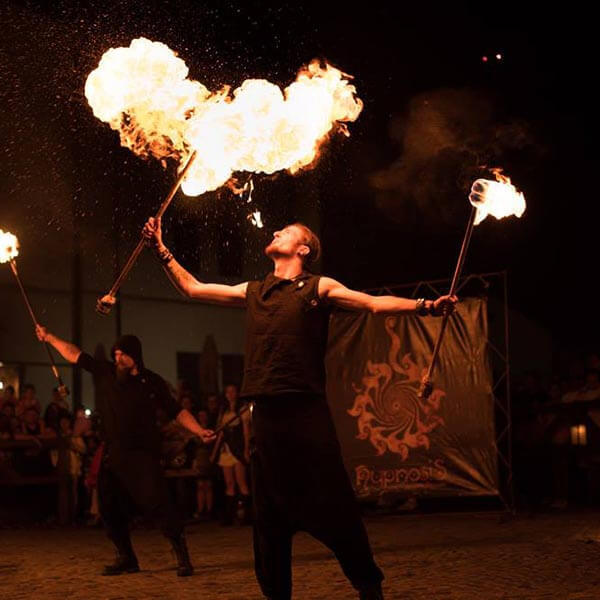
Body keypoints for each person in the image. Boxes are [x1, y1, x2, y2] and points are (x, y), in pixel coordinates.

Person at [137, 218, 457, 600]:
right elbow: (193, 288)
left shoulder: (319, 287)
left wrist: (426, 306)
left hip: (307, 417)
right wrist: (160, 249)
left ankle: (368, 586)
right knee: (268, 521)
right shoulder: (255, 291)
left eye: (286, 232)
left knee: (335, 508)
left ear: (303, 250)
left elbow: (372, 304)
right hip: (266, 420)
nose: (275, 233)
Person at [36, 326, 214, 577]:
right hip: (113, 455)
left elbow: (177, 411)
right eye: (116, 354)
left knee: (160, 504)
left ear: (135, 356)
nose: (118, 359)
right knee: (109, 508)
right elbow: (74, 353)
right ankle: (126, 557)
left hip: (143, 455)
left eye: (123, 355)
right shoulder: (106, 372)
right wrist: (49, 337)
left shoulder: (152, 382)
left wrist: (199, 430)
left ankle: (182, 555)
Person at [215, 384, 251, 525]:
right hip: (226, 450)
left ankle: (247, 516)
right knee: (229, 483)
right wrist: (215, 452)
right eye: (227, 392)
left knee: (241, 482)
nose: (230, 394)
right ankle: (229, 516)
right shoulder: (223, 411)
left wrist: (246, 449)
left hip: (237, 449)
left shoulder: (242, 410)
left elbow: (246, 432)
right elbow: (221, 432)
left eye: (232, 391)